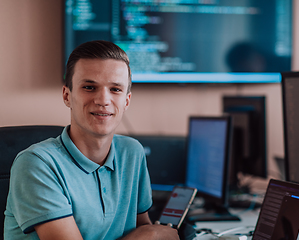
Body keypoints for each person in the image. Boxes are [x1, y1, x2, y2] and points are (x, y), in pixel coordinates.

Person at [3, 40, 180, 240]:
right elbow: (148, 235)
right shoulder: (35, 164)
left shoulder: (132, 152)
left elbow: (143, 228)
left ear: (127, 100)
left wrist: (150, 234)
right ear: (67, 95)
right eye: (89, 87)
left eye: (115, 89)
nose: (103, 100)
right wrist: (152, 234)